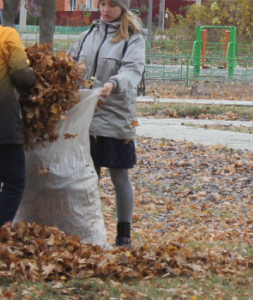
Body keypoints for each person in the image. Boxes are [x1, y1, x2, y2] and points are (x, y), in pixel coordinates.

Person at [68, 0, 145, 248]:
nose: (105, 9)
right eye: (102, 3)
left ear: (122, 7)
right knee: (88, 177)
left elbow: (132, 70)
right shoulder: (89, 34)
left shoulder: (133, 38)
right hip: (85, 117)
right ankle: (90, 231)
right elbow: (69, 63)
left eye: (112, 4)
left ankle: (124, 235)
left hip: (115, 116)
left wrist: (113, 84)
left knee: (119, 175)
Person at [0, 0, 36, 232]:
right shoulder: (5, 34)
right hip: (1, 120)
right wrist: (33, 82)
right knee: (13, 182)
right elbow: (21, 72)